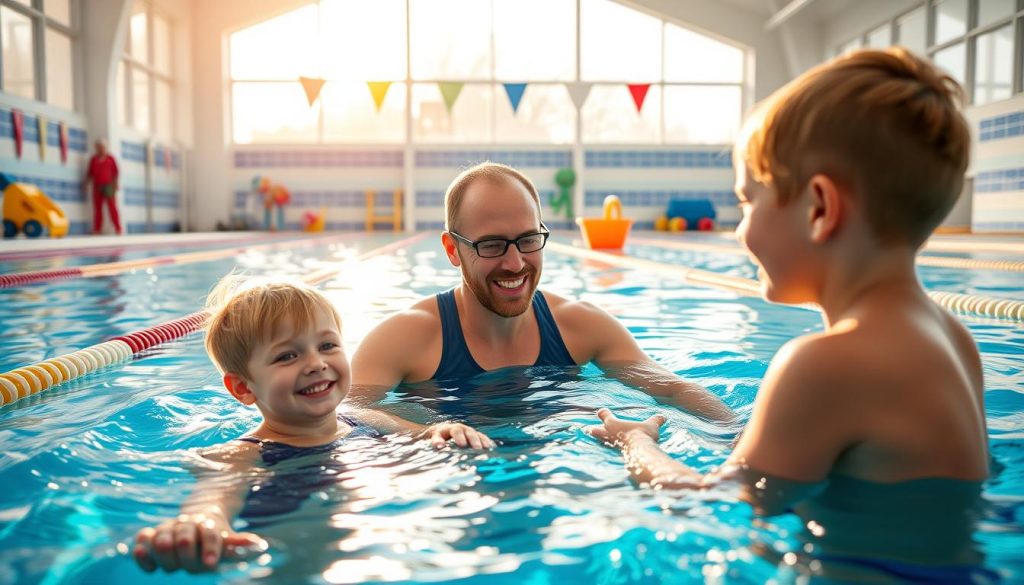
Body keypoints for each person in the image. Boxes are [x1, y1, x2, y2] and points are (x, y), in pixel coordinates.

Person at [590, 48, 989, 576]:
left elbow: (711, 506)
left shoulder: (823, 364)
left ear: (819, 209)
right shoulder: (955, 339)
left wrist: (634, 441)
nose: (740, 230)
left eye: (747, 203)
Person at [133, 276, 493, 574]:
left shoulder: (365, 418)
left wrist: (447, 431)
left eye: (327, 345)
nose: (316, 363)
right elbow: (210, 502)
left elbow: (428, 435)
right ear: (243, 388)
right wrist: (200, 526)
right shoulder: (241, 456)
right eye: (287, 355)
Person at [350, 162, 734, 423]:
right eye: (492, 245)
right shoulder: (405, 338)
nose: (516, 263)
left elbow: (672, 387)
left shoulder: (581, 326)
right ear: (453, 250)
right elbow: (345, 414)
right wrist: (421, 435)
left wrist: (735, 438)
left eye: (528, 240)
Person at [83, 139, 123, 235]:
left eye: (103, 147)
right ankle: (97, 229)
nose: (101, 149)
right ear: (96, 148)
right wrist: (85, 183)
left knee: (112, 208)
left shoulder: (110, 159)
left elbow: (116, 173)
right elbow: (89, 173)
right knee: (97, 209)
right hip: (97, 187)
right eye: (99, 147)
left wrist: (116, 183)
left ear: (105, 148)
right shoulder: (93, 159)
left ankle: (118, 228)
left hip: (109, 186)